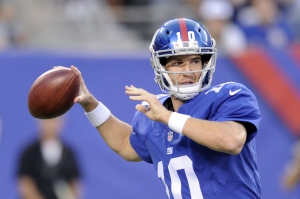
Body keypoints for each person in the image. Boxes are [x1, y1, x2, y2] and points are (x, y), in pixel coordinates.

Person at [63, 18, 262, 198]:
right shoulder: (153, 112)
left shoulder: (229, 96)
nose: (188, 71)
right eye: (177, 62)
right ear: (161, 66)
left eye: (195, 61)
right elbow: (125, 144)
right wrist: (90, 104)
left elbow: (231, 140)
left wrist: (167, 117)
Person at [17, 116, 82, 199]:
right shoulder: (28, 153)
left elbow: (75, 183)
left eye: (54, 121)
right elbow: (25, 184)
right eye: (47, 121)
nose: (51, 125)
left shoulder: (69, 153)